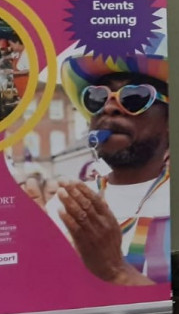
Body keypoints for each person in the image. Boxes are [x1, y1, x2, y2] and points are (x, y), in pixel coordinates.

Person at [45, 50, 170, 286]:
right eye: (97, 97)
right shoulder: (63, 206)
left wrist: (116, 272)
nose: (109, 107)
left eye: (135, 96)